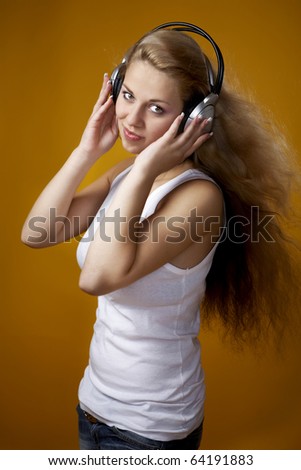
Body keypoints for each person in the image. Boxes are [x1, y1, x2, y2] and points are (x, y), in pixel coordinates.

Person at [21, 23, 300, 450]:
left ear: (193, 119)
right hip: (95, 406)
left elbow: (96, 278)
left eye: (156, 108)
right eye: (128, 95)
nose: (131, 119)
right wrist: (87, 151)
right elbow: (37, 231)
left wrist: (148, 167)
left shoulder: (198, 200)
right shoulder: (127, 175)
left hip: (151, 427)